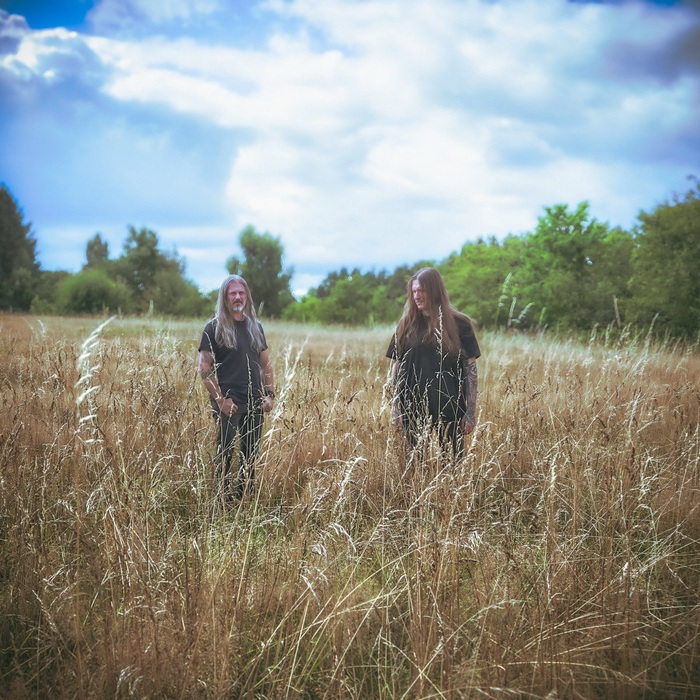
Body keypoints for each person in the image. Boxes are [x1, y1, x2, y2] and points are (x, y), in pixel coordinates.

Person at [386, 267, 480, 460]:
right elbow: (396, 369)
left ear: (435, 290)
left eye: (421, 291)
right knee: (414, 464)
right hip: (412, 406)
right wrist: (396, 410)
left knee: (453, 464)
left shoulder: (460, 323)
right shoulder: (406, 325)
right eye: (414, 291)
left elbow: (471, 369)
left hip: (449, 406)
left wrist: (470, 413)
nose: (417, 296)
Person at [198, 275, 275, 502]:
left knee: (250, 455)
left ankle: (244, 499)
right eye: (233, 293)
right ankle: (220, 501)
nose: (238, 297)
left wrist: (269, 394)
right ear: (225, 297)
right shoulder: (213, 328)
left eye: (241, 293)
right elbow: (204, 368)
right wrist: (221, 400)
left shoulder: (255, 327)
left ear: (247, 296)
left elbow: (266, 364)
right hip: (229, 403)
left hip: (254, 402)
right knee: (224, 454)